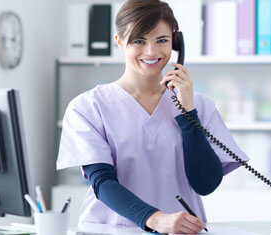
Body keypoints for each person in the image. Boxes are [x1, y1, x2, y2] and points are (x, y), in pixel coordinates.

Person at [56, 0, 249, 233]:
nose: (151, 52)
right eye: (139, 41)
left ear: (176, 43)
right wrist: (156, 219)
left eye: (162, 40)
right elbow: (101, 181)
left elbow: (205, 184)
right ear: (119, 42)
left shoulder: (198, 106)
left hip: (180, 230)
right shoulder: (88, 107)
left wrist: (188, 113)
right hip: (111, 229)